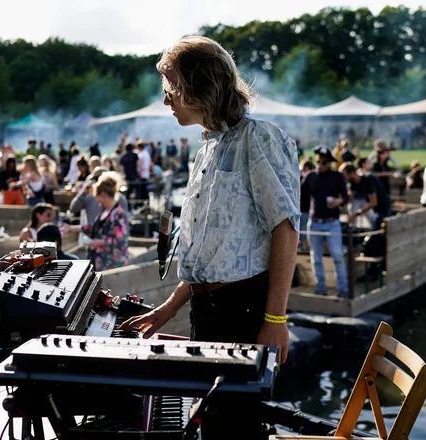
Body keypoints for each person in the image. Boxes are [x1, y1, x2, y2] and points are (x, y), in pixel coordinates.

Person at [118, 36, 299, 439]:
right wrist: (168, 308)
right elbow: (205, 250)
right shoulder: (206, 148)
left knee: (233, 429)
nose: (166, 101)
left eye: (172, 90)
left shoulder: (259, 138)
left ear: (201, 89)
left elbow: (285, 230)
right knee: (215, 425)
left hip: (244, 309)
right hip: (211, 309)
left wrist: (275, 318)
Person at [301, 145, 349, 297]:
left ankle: (343, 290)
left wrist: (338, 201)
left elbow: (346, 197)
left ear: (329, 163)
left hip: (332, 221)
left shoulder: (337, 176)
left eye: (324, 162)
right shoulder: (310, 176)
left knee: (337, 256)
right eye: (319, 161)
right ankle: (320, 288)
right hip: (314, 221)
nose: (320, 165)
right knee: (316, 258)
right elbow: (300, 196)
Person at [60, 174, 129, 271]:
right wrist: (72, 228)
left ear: (104, 195)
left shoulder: (117, 214)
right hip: (99, 262)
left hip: (111, 265)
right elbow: (94, 227)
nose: (98, 202)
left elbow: (121, 240)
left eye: (98, 198)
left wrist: (99, 242)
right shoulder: (104, 211)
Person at [340, 162, 391, 231]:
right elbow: (349, 198)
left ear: (351, 173)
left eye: (343, 175)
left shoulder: (367, 179)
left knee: (378, 229)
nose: (342, 177)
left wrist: (356, 214)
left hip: (383, 208)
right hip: (375, 209)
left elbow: (374, 203)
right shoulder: (353, 183)